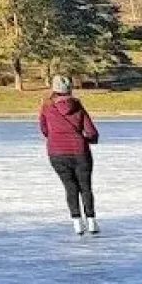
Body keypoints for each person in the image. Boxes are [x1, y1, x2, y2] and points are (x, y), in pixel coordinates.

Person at [39, 76, 100, 235]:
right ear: (69, 89)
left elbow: (44, 130)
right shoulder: (77, 106)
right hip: (80, 151)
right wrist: (88, 139)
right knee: (85, 187)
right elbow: (92, 132)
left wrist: (56, 138)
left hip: (57, 153)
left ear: (54, 90)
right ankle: (92, 222)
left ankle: (77, 223)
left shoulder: (46, 107)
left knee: (70, 187)